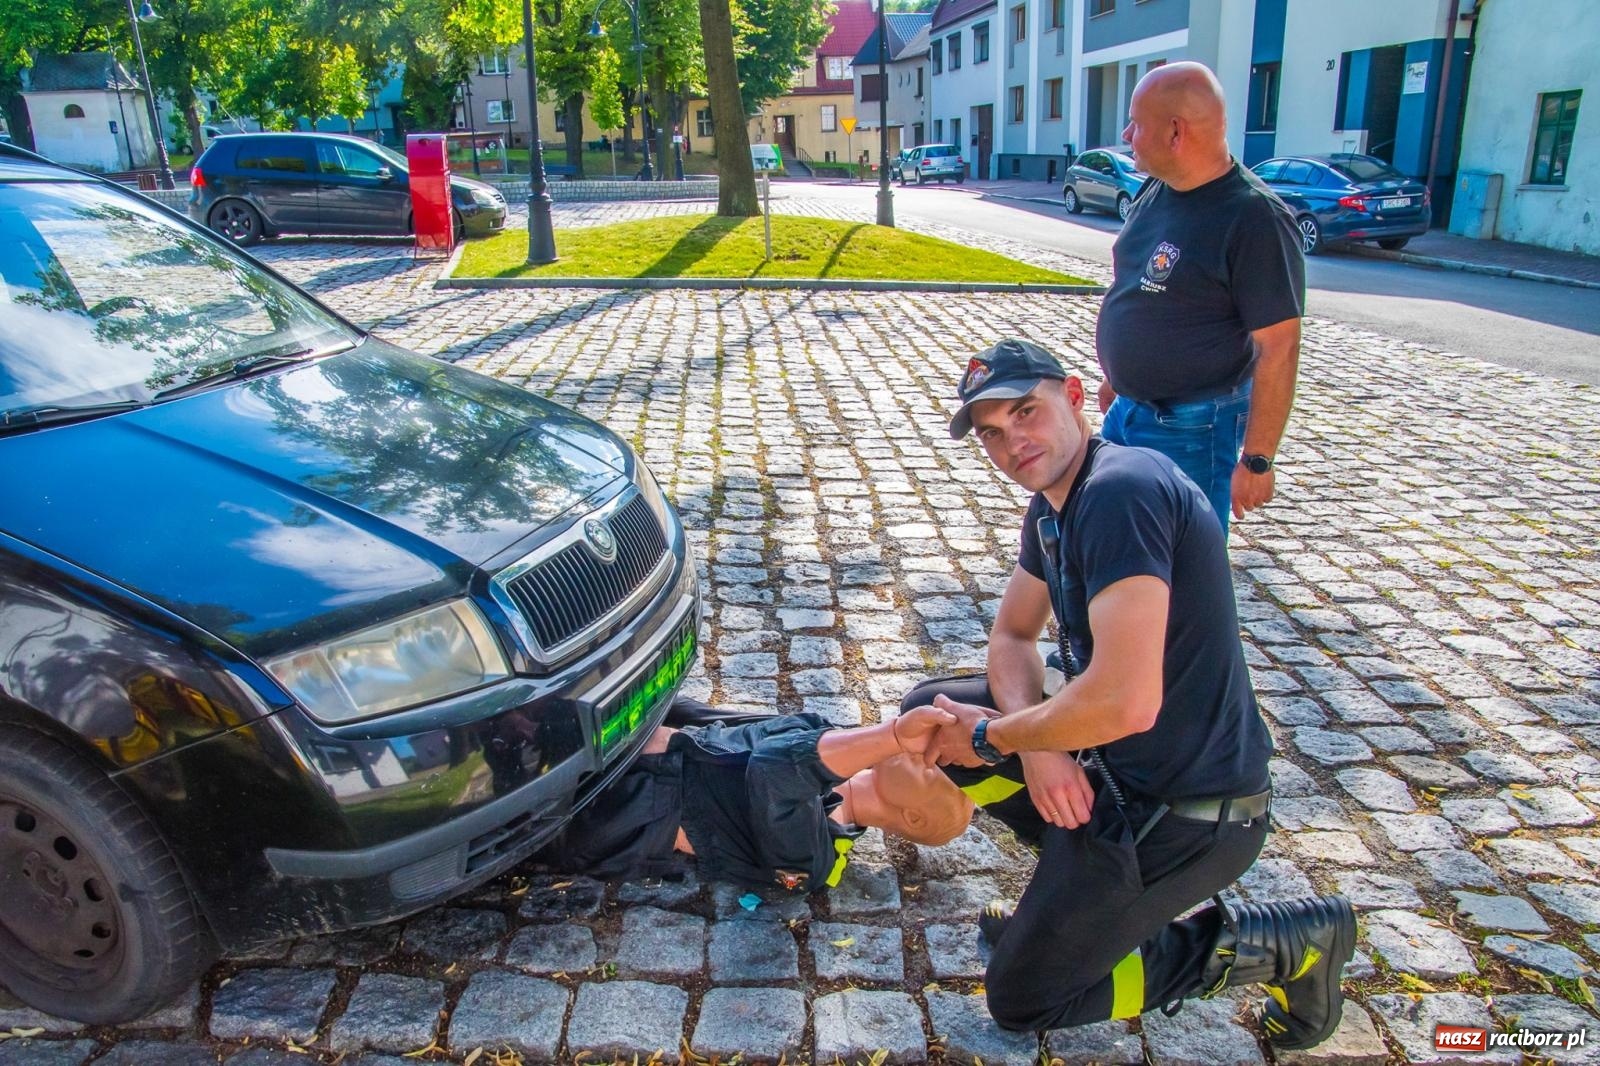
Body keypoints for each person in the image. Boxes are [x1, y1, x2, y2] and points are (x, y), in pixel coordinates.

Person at [906, 338, 1353, 1051]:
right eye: (990, 431)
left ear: (1077, 398)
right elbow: (1012, 638)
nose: (1011, 441)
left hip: (1189, 813)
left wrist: (1000, 737)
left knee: (1025, 996)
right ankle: (1074, 897)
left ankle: (1282, 944)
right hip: (1113, 771)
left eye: (1026, 411)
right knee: (930, 714)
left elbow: (1127, 702)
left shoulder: (1121, 490)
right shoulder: (1055, 505)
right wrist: (1042, 747)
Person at [1095, 61, 1304, 537]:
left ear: (1175, 132)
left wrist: (1257, 460)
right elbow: (1137, 288)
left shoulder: (1254, 219)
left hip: (1191, 426)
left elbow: (1280, 346)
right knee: (1117, 535)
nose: (1127, 134)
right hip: (1130, 411)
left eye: (1137, 123)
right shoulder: (1158, 190)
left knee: (1181, 559)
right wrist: (1119, 379)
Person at [537, 697, 974, 893]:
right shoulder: (824, 732)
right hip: (607, 737)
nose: (929, 757)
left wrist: (893, 736)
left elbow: (773, 771)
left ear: (914, 818)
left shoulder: (815, 860)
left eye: (936, 772)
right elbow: (711, 722)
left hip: (593, 807)